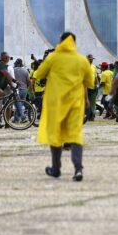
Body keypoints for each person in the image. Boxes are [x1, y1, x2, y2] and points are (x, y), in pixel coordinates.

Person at [35, 32, 95, 182]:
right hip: (75, 103)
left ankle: (56, 169)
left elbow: (39, 74)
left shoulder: (53, 57)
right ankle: (78, 169)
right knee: (75, 135)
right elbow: (90, 82)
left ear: (61, 42)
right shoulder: (82, 60)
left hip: (56, 103)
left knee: (55, 135)